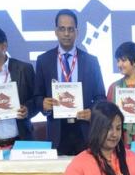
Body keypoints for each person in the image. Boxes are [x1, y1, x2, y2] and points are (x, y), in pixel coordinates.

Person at [34, 9, 106, 155]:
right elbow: (37, 96)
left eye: (70, 29)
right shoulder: (43, 60)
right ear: (56, 31)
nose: (66, 33)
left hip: (85, 130)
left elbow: (101, 97)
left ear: (77, 32)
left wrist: (92, 112)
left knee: (87, 169)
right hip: (57, 131)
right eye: (62, 29)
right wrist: (43, 104)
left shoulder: (91, 61)